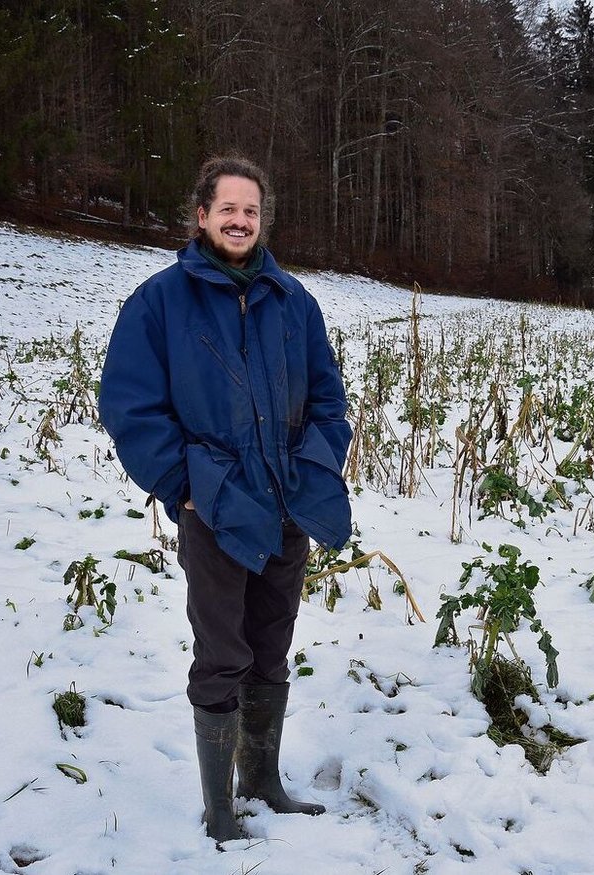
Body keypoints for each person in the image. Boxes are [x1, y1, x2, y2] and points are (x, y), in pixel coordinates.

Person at [98, 155, 353, 846]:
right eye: (229, 209)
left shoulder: (293, 300)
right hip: (212, 510)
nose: (241, 220)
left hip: (284, 505)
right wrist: (183, 488)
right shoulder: (159, 302)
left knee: (272, 646)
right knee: (222, 653)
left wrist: (314, 465)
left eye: (252, 210)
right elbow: (129, 407)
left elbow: (330, 399)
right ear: (202, 215)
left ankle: (262, 780)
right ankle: (219, 810)